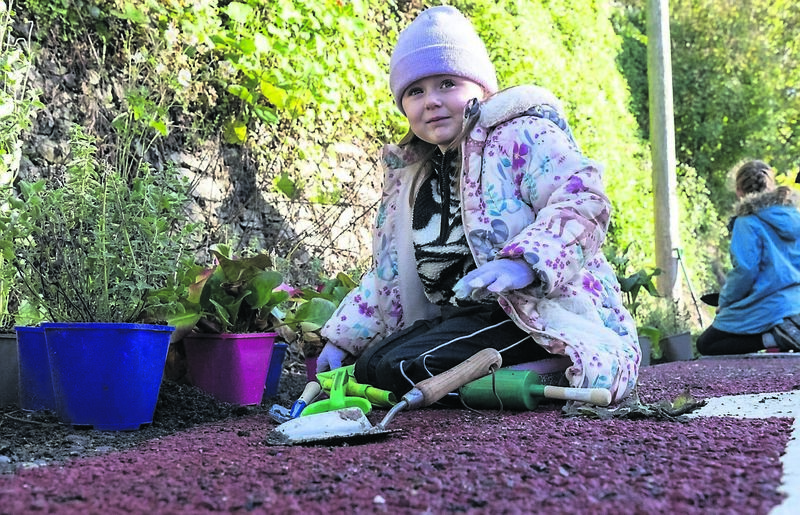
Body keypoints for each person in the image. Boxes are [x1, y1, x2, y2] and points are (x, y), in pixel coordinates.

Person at [317, 5, 639, 403]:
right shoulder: (415, 174)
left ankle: (558, 364)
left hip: (539, 311)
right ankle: (497, 381)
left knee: (404, 369)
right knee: (374, 365)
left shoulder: (522, 135)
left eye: (447, 83)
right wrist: (344, 338)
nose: (431, 101)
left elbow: (582, 200)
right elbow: (391, 276)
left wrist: (525, 262)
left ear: (481, 89)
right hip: (463, 318)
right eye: (415, 91)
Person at [697, 160, 800, 355]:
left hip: (772, 306)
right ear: (772, 185)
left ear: (738, 191)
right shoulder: (794, 216)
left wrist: (725, 302)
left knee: (707, 344)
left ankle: (776, 337)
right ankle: (785, 332)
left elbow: (745, 271)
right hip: (796, 303)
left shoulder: (747, 222)